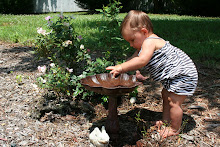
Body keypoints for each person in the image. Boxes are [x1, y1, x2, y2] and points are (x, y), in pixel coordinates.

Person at [106, 10, 198, 138]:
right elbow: (134, 60)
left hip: (183, 75)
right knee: (165, 94)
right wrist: (127, 68)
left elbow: (141, 60)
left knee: (173, 101)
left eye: (132, 40)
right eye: (129, 42)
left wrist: (121, 67)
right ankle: (166, 122)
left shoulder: (150, 41)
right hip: (175, 76)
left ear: (144, 32)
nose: (131, 45)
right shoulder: (144, 43)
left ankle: (174, 129)